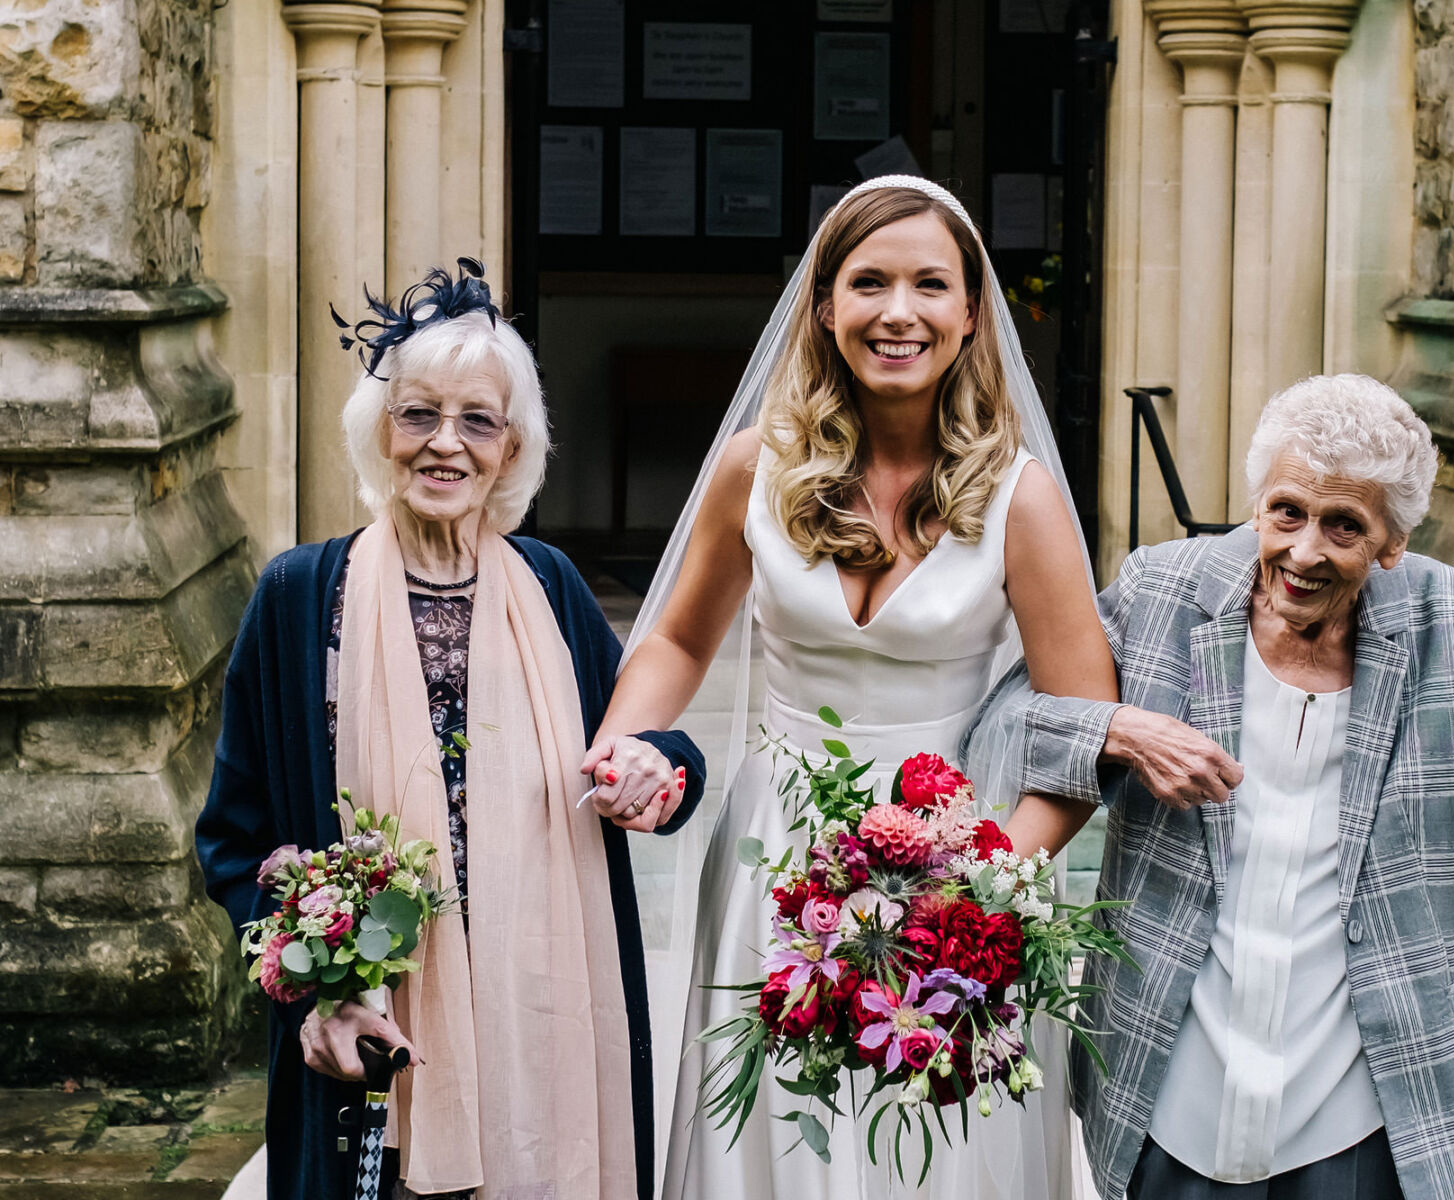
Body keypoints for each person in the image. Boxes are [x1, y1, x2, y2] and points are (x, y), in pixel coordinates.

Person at [976, 374, 1454, 1200]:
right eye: (1287, 512)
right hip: (1173, 1079)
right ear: (1258, 501)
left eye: (1344, 527)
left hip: (1366, 1100)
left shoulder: (1453, 618)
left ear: (1392, 542)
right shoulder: (1161, 592)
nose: (1303, 551)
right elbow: (1005, 725)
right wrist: (1122, 730)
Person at [584, 176, 1118, 1200]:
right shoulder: (757, 470)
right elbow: (678, 641)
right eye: (869, 282)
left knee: (939, 1156)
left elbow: (1077, 738)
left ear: (970, 314)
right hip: (778, 855)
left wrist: (987, 886)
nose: (898, 312)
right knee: (778, 1136)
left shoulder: (1022, 497)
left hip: (964, 863)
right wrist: (624, 743)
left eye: (930, 284)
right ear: (824, 307)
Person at [194, 260, 707, 1200]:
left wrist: (657, 772)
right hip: (374, 1034)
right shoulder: (301, 596)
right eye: (418, 414)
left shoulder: (552, 588)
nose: (446, 445)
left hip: (541, 1018)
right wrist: (315, 985)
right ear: (379, 432)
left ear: (512, 451)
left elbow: (660, 753)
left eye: (478, 420)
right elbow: (234, 836)